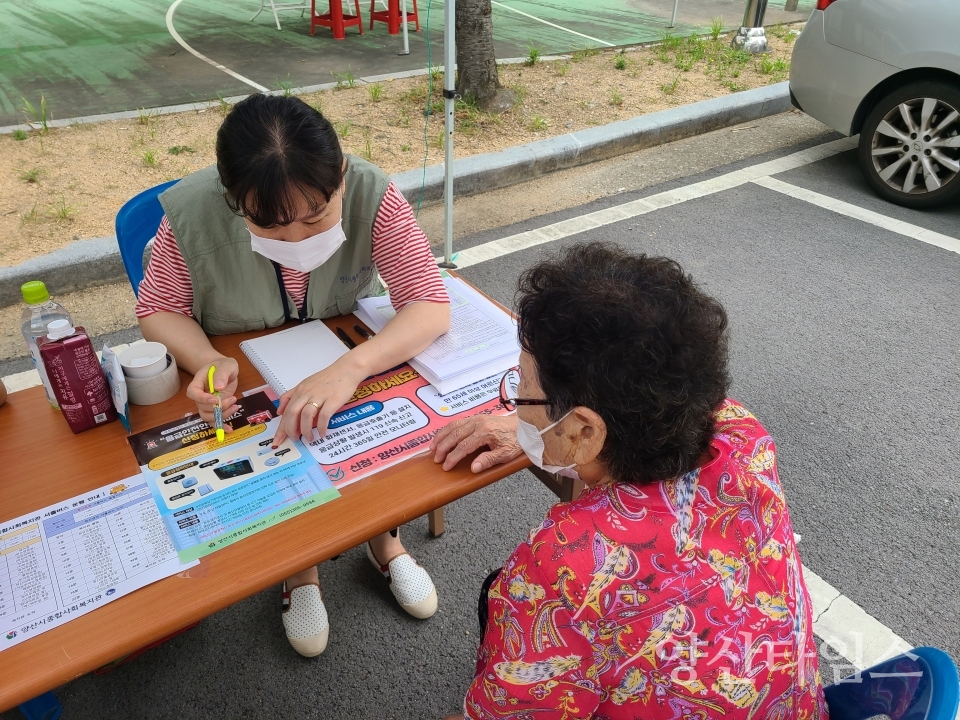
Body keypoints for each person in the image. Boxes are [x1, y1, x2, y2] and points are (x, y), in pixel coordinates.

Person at [431, 243, 828, 719]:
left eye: (523, 391)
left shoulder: (561, 568)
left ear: (585, 431)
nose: (517, 404)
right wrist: (547, 430)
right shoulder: (743, 435)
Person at [135, 94, 451, 657]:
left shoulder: (374, 193)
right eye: (271, 226)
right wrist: (207, 360)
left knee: (360, 436)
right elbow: (159, 308)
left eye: (316, 216)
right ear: (233, 201)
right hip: (250, 373)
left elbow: (427, 303)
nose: (298, 242)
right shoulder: (190, 214)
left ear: (342, 179)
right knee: (280, 449)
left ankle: (385, 540)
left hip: (350, 359)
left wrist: (350, 368)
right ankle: (300, 570)